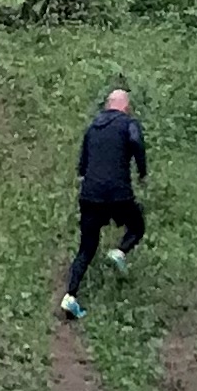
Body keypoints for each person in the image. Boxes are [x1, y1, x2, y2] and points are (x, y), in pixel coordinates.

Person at [59, 83, 146, 319]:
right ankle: (120, 252)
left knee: (86, 248)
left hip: (91, 195)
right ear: (124, 106)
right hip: (118, 194)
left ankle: (70, 296)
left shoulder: (92, 128)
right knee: (137, 226)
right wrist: (142, 171)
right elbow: (136, 142)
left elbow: (82, 167)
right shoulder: (128, 124)